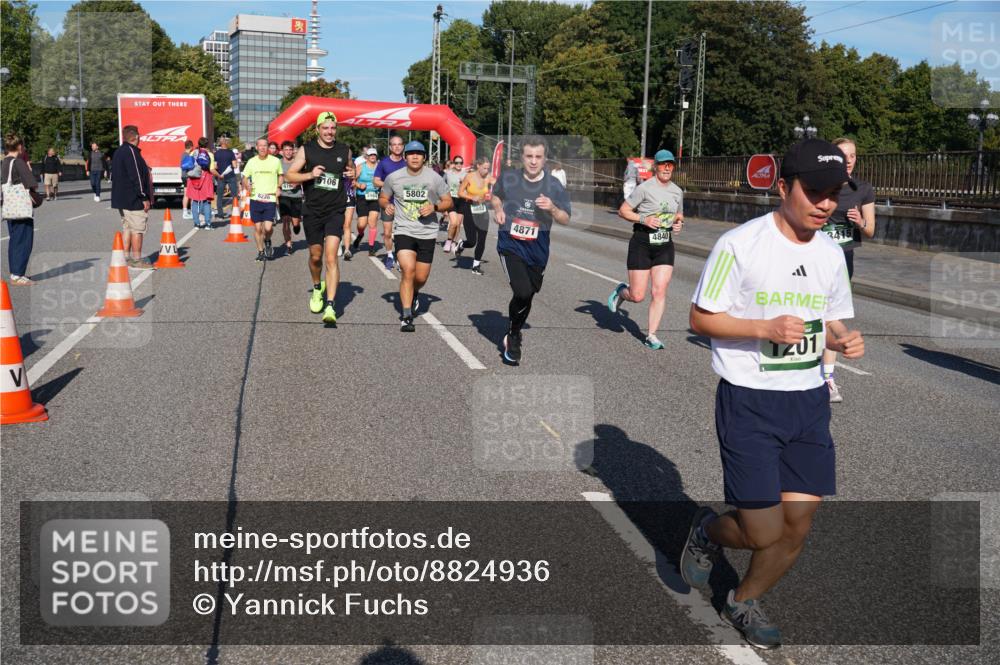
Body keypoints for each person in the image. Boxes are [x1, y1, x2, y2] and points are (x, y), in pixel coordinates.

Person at [682, 138, 865, 650]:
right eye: (816, 191)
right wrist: (764, 328)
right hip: (750, 400)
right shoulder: (741, 244)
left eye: (835, 193)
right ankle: (708, 532)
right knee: (763, 532)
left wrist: (841, 338)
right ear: (784, 187)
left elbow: (829, 321)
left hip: (807, 403)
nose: (826, 203)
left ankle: (742, 600)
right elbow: (699, 317)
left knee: (797, 526)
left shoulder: (831, 253)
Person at [490, 137, 572, 364]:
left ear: (545, 158)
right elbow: (495, 195)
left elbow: (565, 218)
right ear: (521, 157)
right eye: (529, 156)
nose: (533, 162)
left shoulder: (554, 186)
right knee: (523, 291)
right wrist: (498, 209)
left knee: (528, 295)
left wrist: (553, 208)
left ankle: (513, 329)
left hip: (538, 249)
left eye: (538, 157)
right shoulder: (509, 178)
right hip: (511, 244)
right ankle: (514, 336)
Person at [607, 149, 685, 350]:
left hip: (664, 244)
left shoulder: (677, 191)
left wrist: (678, 224)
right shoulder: (645, 188)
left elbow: (679, 215)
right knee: (638, 296)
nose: (667, 168)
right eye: (663, 164)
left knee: (659, 291)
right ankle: (621, 293)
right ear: (655, 167)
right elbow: (623, 210)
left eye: (670, 164)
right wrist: (644, 219)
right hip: (642, 242)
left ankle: (651, 335)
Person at [283, 111, 355, 326]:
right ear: (318, 129)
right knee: (316, 256)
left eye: (333, 128)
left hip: (335, 210)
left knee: (331, 258)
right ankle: (317, 287)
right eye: (325, 128)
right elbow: (290, 175)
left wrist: (353, 174)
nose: (330, 132)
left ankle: (331, 306)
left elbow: (351, 169)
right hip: (312, 210)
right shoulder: (307, 149)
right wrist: (310, 175)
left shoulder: (344, 150)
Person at [820, 137, 876, 403]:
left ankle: (828, 378)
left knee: (833, 317)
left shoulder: (862, 189)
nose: (850, 159)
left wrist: (859, 221)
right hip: (815, 259)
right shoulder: (819, 184)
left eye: (853, 155)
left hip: (844, 260)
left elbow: (871, 230)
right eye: (844, 155)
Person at [379, 141, 452, 332]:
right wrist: (386, 205)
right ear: (405, 156)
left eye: (419, 153)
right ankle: (406, 315)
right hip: (404, 229)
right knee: (407, 270)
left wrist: (434, 207)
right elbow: (383, 196)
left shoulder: (434, 178)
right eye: (411, 153)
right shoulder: (394, 178)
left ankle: (415, 292)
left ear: (424, 157)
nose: (415, 156)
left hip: (427, 233)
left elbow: (448, 202)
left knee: (420, 277)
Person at [110, 124, 154, 269]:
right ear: (136, 137)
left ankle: (126, 257)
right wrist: (144, 197)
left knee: (127, 228)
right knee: (137, 229)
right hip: (133, 198)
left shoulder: (119, 151)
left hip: (121, 198)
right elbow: (136, 177)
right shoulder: (131, 152)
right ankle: (137, 259)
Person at [3, 133, 40, 285]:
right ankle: (18, 275)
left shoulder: (4, 162)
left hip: (10, 207)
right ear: (19, 147)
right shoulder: (18, 162)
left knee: (14, 240)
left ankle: (14, 273)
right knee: (24, 240)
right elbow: (31, 182)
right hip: (21, 209)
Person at [242, 137, 284, 262]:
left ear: (268, 147)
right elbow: (244, 177)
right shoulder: (251, 161)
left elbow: (281, 176)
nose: (263, 148)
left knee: (268, 228)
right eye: (260, 145)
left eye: (265, 145)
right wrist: (246, 184)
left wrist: (278, 187)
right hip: (256, 198)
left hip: (270, 198)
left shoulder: (275, 161)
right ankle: (260, 251)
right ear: (256, 147)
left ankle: (267, 240)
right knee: (257, 228)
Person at [455, 156, 494, 275]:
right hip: (469, 208)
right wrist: (472, 197)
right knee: (472, 241)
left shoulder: (489, 178)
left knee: (482, 239)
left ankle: (475, 266)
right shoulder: (470, 176)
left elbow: (501, 186)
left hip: (482, 210)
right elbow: (460, 192)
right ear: (478, 166)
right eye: (484, 168)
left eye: (488, 168)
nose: (486, 171)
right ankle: (462, 244)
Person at [373, 135, 407, 270]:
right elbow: (375, 181)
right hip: (387, 202)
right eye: (394, 144)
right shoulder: (384, 163)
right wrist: (390, 186)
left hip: (404, 204)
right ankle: (389, 255)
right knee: (387, 233)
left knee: (401, 234)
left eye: (400, 144)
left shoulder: (407, 163)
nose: (397, 146)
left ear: (403, 146)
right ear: (390, 147)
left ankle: (400, 258)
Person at [352, 147, 381, 256]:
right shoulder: (361, 167)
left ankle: (371, 248)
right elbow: (352, 180)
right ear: (367, 157)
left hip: (374, 196)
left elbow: (385, 179)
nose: (373, 157)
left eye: (374, 155)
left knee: (373, 222)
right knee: (362, 224)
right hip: (362, 197)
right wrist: (359, 185)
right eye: (371, 155)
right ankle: (360, 234)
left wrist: (379, 184)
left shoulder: (379, 167)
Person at [278, 140, 303, 256]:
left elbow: (304, 177)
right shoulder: (278, 163)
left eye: (290, 150)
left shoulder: (298, 163)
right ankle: (288, 244)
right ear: (282, 151)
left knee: (295, 221)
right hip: (284, 195)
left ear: (293, 151)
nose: (288, 152)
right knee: (285, 221)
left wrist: (297, 183)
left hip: (296, 195)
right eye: (286, 150)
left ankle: (297, 225)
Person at [186, 137, 216, 230]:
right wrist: (219, 175)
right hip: (205, 178)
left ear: (198, 144)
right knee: (206, 202)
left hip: (194, 178)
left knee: (195, 201)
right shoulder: (210, 154)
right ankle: (208, 224)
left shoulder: (192, 153)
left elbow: (188, 166)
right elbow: (211, 169)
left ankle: (196, 224)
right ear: (207, 144)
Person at [443, 156, 467, 253]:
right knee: (453, 223)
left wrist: (464, 183)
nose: (458, 165)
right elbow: (441, 185)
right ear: (453, 163)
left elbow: (470, 187)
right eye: (457, 163)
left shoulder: (466, 174)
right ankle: (448, 241)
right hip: (451, 200)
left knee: (458, 224)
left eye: (460, 163)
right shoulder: (448, 173)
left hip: (462, 200)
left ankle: (454, 242)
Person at [214, 136, 238, 220]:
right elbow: (235, 165)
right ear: (226, 143)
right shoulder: (231, 152)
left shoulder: (216, 153)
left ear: (220, 144)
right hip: (231, 176)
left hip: (221, 176)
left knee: (220, 196)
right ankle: (235, 213)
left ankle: (220, 214)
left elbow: (215, 166)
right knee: (234, 195)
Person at [180, 139, 196, 219]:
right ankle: (190, 212)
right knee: (189, 194)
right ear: (191, 147)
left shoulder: (183, 154)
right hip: (188, 176)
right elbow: (190, 166)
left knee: (186, 194)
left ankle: (185, 211)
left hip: (183, 176)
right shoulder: (187, 155)